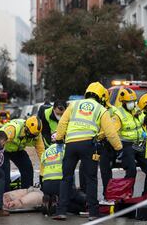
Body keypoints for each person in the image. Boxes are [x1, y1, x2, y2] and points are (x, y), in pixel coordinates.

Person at [52, 82, 122, 221]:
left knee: (66, 178)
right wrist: (119, 148)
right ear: (101, 96)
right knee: (91, 179)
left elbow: (62, 123)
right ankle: (93, 213)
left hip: (71, 144)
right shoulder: (101, 109)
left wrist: (59, 138)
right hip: (88, 145)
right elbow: (110, 132)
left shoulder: (74, 105)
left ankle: (61, 211)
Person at [113, 88, 147, 196]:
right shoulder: (118, 114)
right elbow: (113, 132)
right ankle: (127, 196)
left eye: (133, 101)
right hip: (127, 145)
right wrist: (118, 148)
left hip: (140, 144)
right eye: (129, 102)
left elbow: (144, 120)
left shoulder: (136, 110)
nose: (132, 104)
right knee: (131, 171)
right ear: (123, 102)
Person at [0, 116, 45, 191]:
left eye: (33, 136)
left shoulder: (36, 134)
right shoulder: (12, 129)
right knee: (4, 173)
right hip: (4, 150)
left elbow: (41, 151)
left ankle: (27, 191)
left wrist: (45, 166)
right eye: (30, 135)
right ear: (26, 128)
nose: (31, 137)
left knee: (27, 168)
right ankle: (4, 195)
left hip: (18, 150)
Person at [40, 143, 86, 216]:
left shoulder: (45, 152)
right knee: (79, 202)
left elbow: (41, 173)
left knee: (66, 198)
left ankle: (51, 202)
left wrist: (44, 190)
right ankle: (58, 204)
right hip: (61, 184)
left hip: (46, 185)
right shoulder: (66, 148)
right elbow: (71, 169)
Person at [98, 89, 119, 199]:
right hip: (95, 142)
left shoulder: (113, 110)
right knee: (87, 170)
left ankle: (108, 194)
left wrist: (99, 135)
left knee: (106, 171)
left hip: (106, 143)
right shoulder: (95, 108)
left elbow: (112, 128)